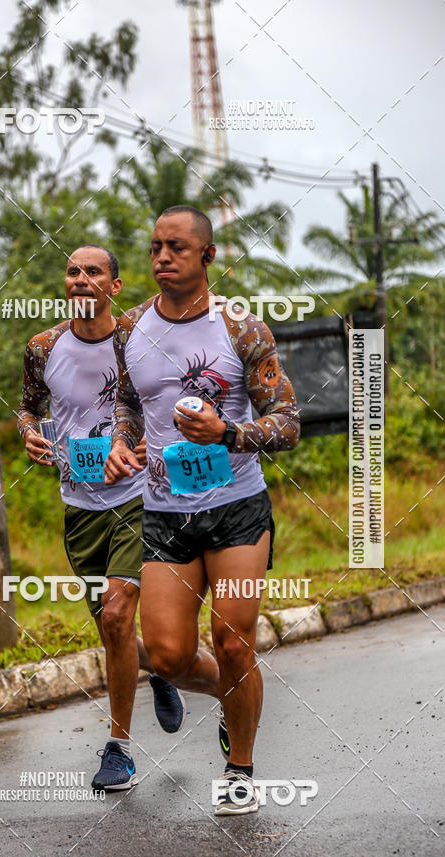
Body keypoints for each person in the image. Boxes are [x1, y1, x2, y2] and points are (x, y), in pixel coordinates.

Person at [104, 207, 300, 814]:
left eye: (178, 248)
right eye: (156, 247)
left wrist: (227, 432)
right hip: (165, 512)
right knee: (164, 654)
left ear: (208, 257)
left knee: (235, 641)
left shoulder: (241, 329)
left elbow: (288, 423)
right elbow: (129, 407)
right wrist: (120, 441)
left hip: (236, 508)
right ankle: (231, 696)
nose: (163, 257)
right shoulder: (129, 327)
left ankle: (239, 768)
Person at [17, 243, 185, 792]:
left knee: (116, 615)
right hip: (79, 506)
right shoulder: (42, 348)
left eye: (93, 271)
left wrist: (139, 444)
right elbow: (28, 405)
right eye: (72, 271)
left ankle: (119, 749)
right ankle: (157, 670)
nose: (81, 279)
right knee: (114, 630)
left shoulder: (135, 341)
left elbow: (163, 401)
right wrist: (28, 433)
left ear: (114, 286)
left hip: (139, 497)